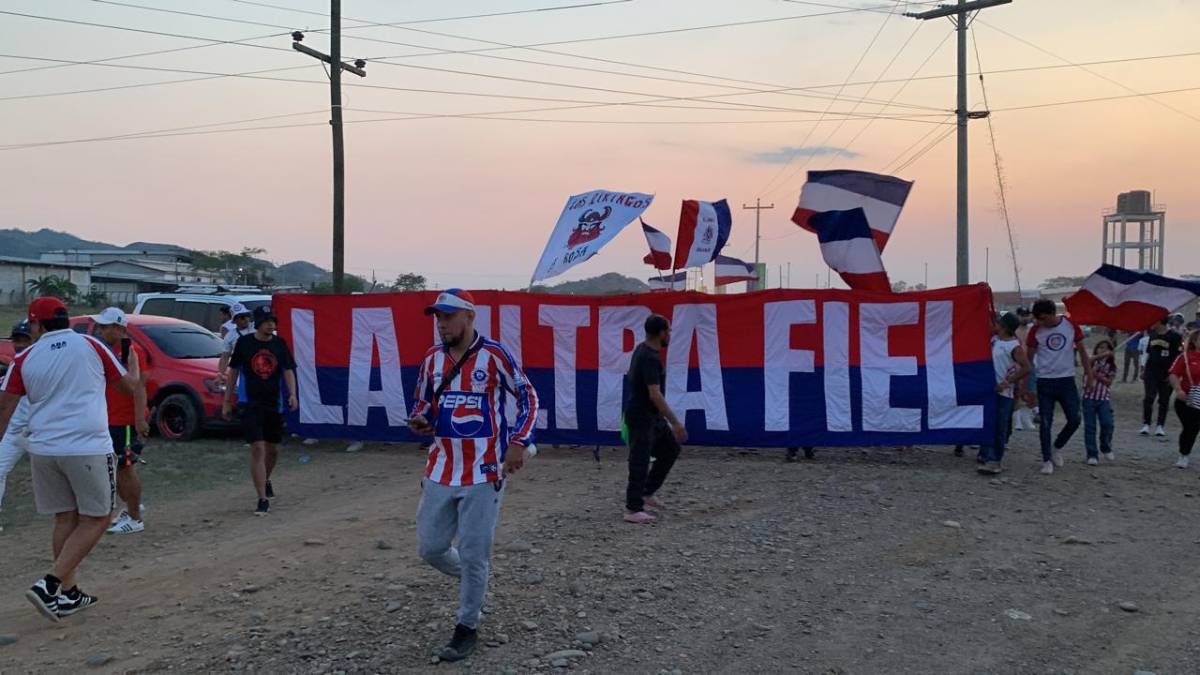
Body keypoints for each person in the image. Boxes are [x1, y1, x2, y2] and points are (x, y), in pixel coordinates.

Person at [407, 289, 539, 662]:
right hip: (440, 468)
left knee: (474, 551)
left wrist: (518, 441)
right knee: (430, 548)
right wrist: (421, 419)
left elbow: (529, 397)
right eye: (438, 318)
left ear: (469, 316)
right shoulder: (432, 359)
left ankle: (467, 625)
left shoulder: (494, 355)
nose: (442, 324)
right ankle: (474, 579)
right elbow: (424, 402)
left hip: (484, 471)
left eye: (448, 317)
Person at [0, 297, 139, 622]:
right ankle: (49, 585)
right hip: (87, 445)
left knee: (66, 519)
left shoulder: (26, 358)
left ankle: (70, 593)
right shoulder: (90, 345)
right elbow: (127, 387)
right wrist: (131, 363)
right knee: (98, 517)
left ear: (36, 324)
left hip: (44, 450)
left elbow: (5, 407)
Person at [222, 305, 297, 516]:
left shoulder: (279, 344)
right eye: (266, 321)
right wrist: (228, 400)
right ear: (258, 322)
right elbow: (233, 372)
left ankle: (266, 478)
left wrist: (292, 394)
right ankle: (262, 498)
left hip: (273, 402)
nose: (271, 324)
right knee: (257, 448)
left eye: (273, 320)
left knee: (272, 450)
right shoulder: (245, 344)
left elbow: (288, 369)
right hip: (250, 402)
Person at [622, 314, 686, 524]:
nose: (669, 335)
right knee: (639, 460)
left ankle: (646, 492)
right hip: (642, 416)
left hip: (653, 417)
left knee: (670, 449)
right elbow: (655, 394)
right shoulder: (648, 357)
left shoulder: (644, 350)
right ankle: (633, 508)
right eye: (668, 331)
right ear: (660, 333)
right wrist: (675, 422)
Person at [93, 308, 150, 534]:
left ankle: (135, 517)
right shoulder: (107, 350)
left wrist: (138, 419)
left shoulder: (130, 351)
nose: (102, 330)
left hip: (123, 420)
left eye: (106, 327)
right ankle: (130, 509)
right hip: (108, 418)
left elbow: (139, 387)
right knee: (117, 470)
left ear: (120, 329)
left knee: (125, 468)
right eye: (101, 326)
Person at [1025, 299, 1091, 475]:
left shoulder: (1070, 325)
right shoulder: (1035, 331)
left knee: (1075, 419)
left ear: (1050, 315)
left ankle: (1057, 447)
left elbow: (1083, 351)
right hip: (1045, 381)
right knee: (1045, 423)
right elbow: (1028, 361)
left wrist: (1089, 374)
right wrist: (1027, 386)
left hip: (1066, 381)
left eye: (1041, 319)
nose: (1038, 322)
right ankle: (1046, 460)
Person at [978, 312, 1030, 475]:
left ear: (1005, 327)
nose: (996, 325)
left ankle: (995, 460)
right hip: (990, 390)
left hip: (1004, 392)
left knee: (1000, 426)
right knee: (988, 423)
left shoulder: (1014, 346)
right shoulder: (995, 341)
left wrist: (1008, 382)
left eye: (999, 323)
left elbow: (1026, 367)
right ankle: (986, 455)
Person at [0, 320, 33, 512]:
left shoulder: (41, 362)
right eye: (17, 340)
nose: (20, 344)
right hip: (16, 430)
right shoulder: (16, 364)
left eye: (24, 339)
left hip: (45, 429)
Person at [1140, 318, 1181, 437]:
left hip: (1166, 373)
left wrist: (1173, 374)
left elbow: (1177, 357)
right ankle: (1146, 424)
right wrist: (1143, 369)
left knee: (1164, 400)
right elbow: (1148, 353)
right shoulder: (1152, 335)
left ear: (1159, 322)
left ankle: (1160, 426)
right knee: (1149, 397)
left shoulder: (1174, 336)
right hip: (1151, 371)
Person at [1081, 339, 1117, 466]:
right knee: (1090, 427)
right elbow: (1086, 364)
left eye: (1106, 348)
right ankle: (1092, 454)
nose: (1103, 350)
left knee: (1107, 423)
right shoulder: (1091, 362)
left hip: (1103, 399)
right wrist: (1098, 360)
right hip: (1088, 398)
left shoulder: (1111, 366)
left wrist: (1097, 375)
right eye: (1100, 347)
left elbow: (1109, 382)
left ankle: (1105, 446)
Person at [1168, 330, 1200, 469]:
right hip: (1187, 398)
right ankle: (1184, 454)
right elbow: (1174, 374)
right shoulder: (1185, 357)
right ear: (1194, 340)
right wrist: (1178, 389)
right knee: (1191, 427)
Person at [1012, 307, 1038, 431]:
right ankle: (1017, 421)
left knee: (1031, 392)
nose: (1024, 317)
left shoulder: (1032, 330)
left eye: (1026, 315)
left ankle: (1027, 418)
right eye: (1022, 315)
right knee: (1016, 393)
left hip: (1030, 363)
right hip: (1015, 365)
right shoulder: (1013, 330)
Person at [218, 303, 254, 379]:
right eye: (242, 317)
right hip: (241, 372)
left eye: (247, 315)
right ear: (235, 320)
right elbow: (225, 357)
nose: (246, 319)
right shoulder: (230, 335)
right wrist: (220, 375)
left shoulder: (256, 328)